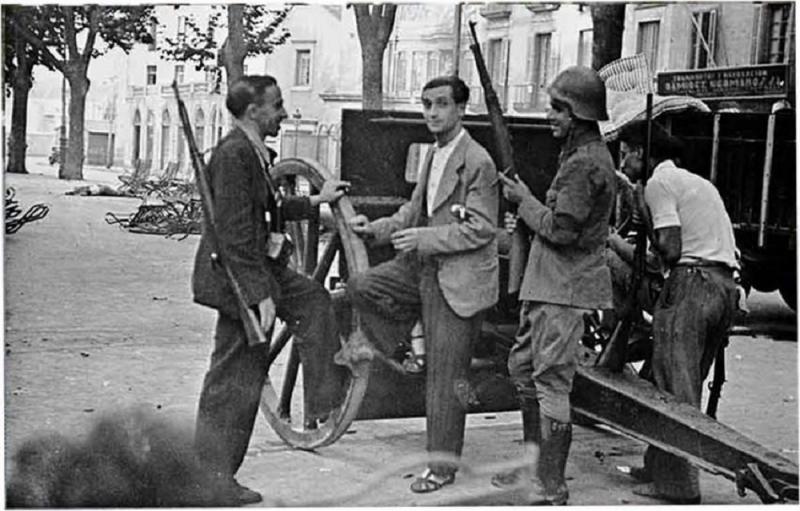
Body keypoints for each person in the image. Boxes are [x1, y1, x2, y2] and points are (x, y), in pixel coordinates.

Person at [191, 75, 350, 505]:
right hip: (239, 279)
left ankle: (323, 400)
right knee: (233, 377)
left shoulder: (251, 151)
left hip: (258, 270)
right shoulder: (233, 155)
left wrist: (316, 200)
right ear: (252, 111)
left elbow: (269, 209)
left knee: (313, 300)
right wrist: (258, 295)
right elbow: (235, 234)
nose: (283, 112)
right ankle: (210, 480)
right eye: (277, 105)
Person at [346, 75, 499, 494]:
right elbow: (413, 212)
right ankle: (409, 348)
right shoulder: (433, 154)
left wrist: (424, 239)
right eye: (427, 104)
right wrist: (376, 230)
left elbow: (482, 228)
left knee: (449, 379)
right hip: (424, 269)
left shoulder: (478, 161)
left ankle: (442, 468)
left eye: (441, 104)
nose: (432, 112)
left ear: (461, 109)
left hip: (459, 279)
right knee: (363, 286)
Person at [493, 66, 615, 505]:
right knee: (524, 369)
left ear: (578, 115)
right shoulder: (579, 155)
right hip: (548, 285)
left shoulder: (584, 164)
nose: (550, 116)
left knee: (550, 381)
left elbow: (562, 230)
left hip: (563, 289)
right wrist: (526, 199)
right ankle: (534, 468)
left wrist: (522, 201)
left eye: (557, 109)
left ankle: (551, 484)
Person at [616, 120, 739, 504]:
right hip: (723, 288)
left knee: (674, 391)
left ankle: (679, 485)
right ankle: (658, 466)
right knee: (679, 381)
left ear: (641, 152)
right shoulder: (696, 182)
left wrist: (641, 215)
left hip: (692, 285)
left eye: (626, 154)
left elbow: (669, 250)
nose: (622, 162)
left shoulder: (659, 184)